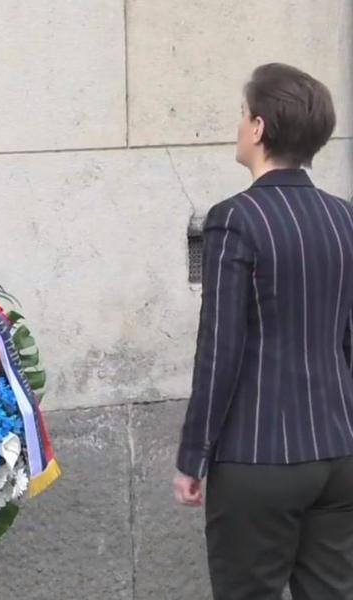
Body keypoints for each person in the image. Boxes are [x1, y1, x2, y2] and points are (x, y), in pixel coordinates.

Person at [174, 62, 353, 599]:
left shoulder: (235, 219)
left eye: (242, 114)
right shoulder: (344, 218)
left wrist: (192, 456)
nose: (238, 125)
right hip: (340, 451)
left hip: (258, 455)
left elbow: (219, 349)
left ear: (258, 128)